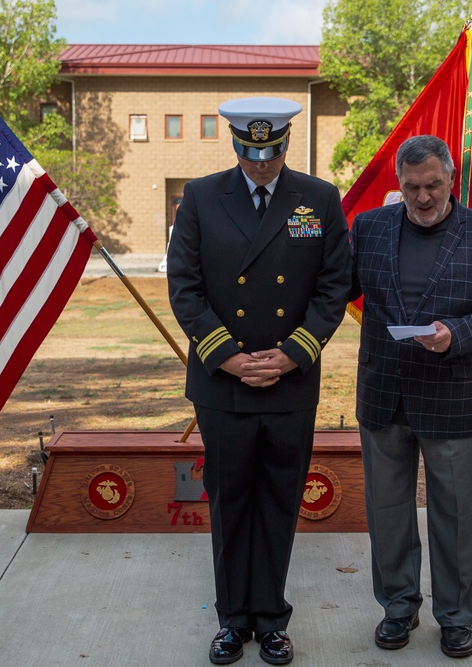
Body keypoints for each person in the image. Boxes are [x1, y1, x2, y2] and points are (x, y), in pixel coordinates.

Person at [166, 96, 351, 665]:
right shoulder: (200, 196)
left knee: (278, 500)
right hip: (224, 383)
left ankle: (270, 619)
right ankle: (231, 621)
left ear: (286, 146)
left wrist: (295, 353)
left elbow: (334, 285)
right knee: (229, 502)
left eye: (271, 155)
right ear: (236, 146)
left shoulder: (318, 199)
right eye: (252, 155)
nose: (262, 166)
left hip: (290, 382)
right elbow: (184, 285)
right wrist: (225, 356)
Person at [349, 135, 472, 659]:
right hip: (383, 393)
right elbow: (336, 287)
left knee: (455, 515)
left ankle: (455, 617)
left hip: (453, 398)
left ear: (451, 178)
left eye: (433, 186)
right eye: (412, 188)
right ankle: (397, 608)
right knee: (387, 512)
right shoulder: (371, 227)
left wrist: (457, 333)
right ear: (398, 184)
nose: (423, 198)